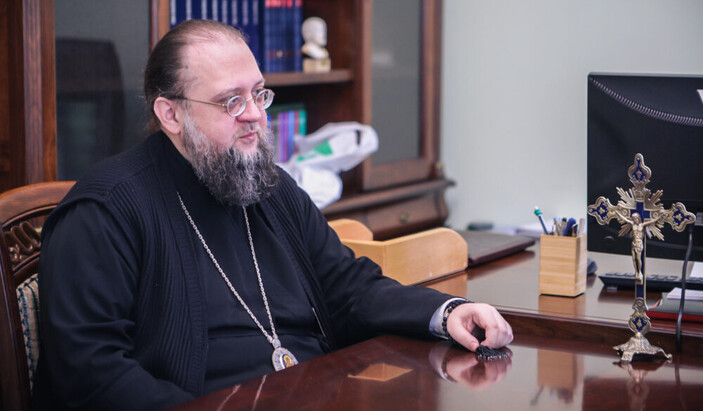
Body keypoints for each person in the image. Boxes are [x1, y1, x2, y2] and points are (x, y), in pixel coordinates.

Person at [33, 19, 512, 410]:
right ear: (170, 114)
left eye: (258, 94)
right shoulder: (106, 210)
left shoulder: (270, 187)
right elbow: (91, 373)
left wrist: (446, 312)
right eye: (230, 101)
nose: (255, 116)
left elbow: (348, 287)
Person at [616, 211, 661, 283]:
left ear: (638, 218)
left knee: (638, 258)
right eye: (633, 219)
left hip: (639, 243)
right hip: (633, 243)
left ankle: (640, 272)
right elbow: (624, 219)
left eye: (636, 219)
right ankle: (636, 272)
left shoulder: (642, 225)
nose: (634, 220)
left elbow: (652, 221)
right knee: (633, 259)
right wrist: (618, 213)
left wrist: (659, 216)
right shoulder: (632, 224)